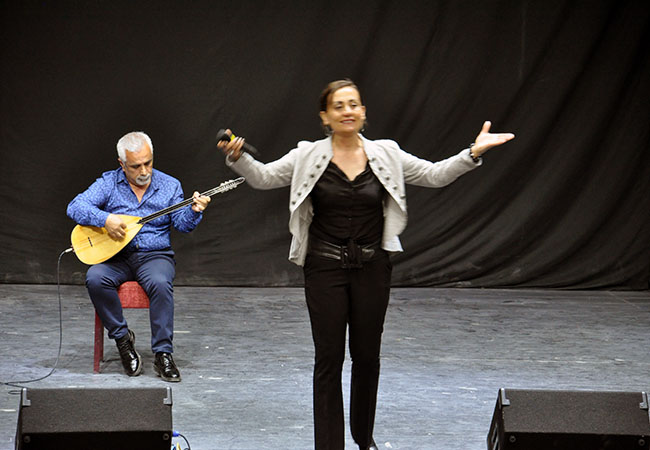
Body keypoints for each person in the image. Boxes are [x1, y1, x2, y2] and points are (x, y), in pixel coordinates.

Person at [218, 79, 514, 450]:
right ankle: (329, 445)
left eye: (354, 104)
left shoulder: (386, 153)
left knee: (367, 357)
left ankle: (363, 438)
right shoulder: (307, 154)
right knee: (329, 358)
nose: (347, 111)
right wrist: (239, 158)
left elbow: (434, 174)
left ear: (363, 112)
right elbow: (264, 178)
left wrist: (473, 152)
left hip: (373, 268)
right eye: (338, 106)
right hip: (324, 267)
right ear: (325, 117)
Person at [67, 131, 211, 382]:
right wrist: (106, 219)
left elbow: (183, 225)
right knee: (95, 278)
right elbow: (75, 206)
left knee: (160, 283)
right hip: (116, 257)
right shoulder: (109, 183)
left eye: (148, 163)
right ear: (122, 164)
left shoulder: (170, 185)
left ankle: (163, 354)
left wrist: (194, 211)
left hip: (154, 255)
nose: (144, 171)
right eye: (136, 166)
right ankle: (123, 339)